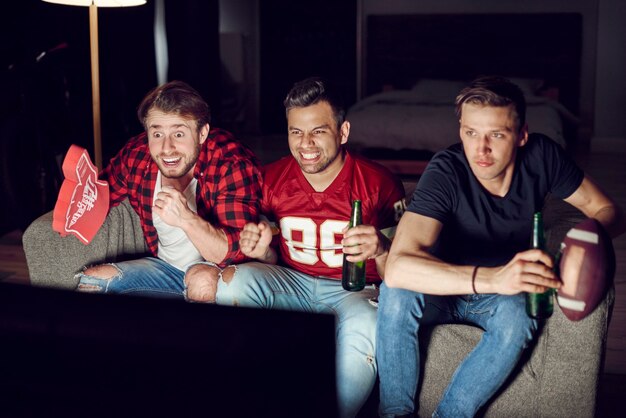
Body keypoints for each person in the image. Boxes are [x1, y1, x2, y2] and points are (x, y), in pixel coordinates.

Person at [376, 75, 625, 418]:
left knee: (518, 310)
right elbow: (398, 267)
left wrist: (575, 250)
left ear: (521, 134)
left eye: (496, 134)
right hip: (444, 290)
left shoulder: (542, 156)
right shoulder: (446, 171)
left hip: (501, 299)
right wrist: (493, 278)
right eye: (470, 133)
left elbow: (607, 210)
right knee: (396, 291)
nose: (481, 149)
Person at [213, 77, 406, 417]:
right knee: (234, 280)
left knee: (367, 324)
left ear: (342, 132)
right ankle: (250, 399)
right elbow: (272, 254)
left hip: (355, 290)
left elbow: (401, 274)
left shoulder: (379, 183)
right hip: (294, 282)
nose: (306, 144)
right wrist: (262, 251)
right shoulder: (270, 178)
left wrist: (382, 249)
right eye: (296, 132)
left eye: (318, 131)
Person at [74, 80, 263, 299]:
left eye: (179, 134)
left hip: (216, 271)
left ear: (202, 133)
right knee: (93, 280)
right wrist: (76, 191)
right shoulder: (137, 155)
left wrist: (186, 219)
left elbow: (235, 255)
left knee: (202, 281)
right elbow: (99, 197)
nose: (166, 148)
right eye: (157, 134)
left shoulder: (230, 163)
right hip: (165, 270)